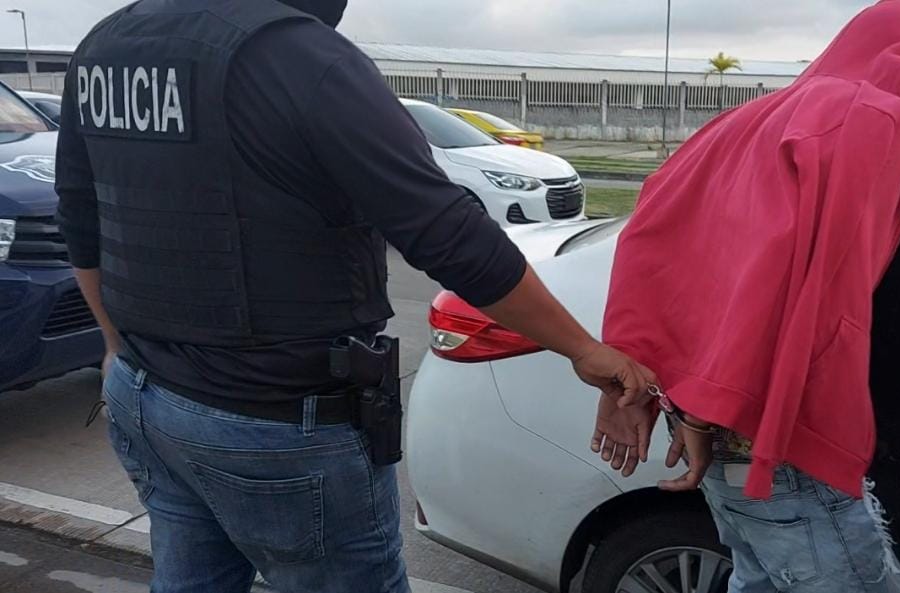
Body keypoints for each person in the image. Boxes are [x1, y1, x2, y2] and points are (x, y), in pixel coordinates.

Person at [54, 1, 655, 591]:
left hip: (144, 394)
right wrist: (581, 348)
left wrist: (114, 345)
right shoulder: (298, 54)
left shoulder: (109, 42)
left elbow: (81, 217)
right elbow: (448, 235)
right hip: (273, 421)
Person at [596, 1, 900, 592]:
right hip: (777, 433)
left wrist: (653, 385)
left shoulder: (749, 122)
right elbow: (798, 287)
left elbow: (653, 241)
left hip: (716, 422)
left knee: (760, 575)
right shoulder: (863, 118)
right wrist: (702, 408)